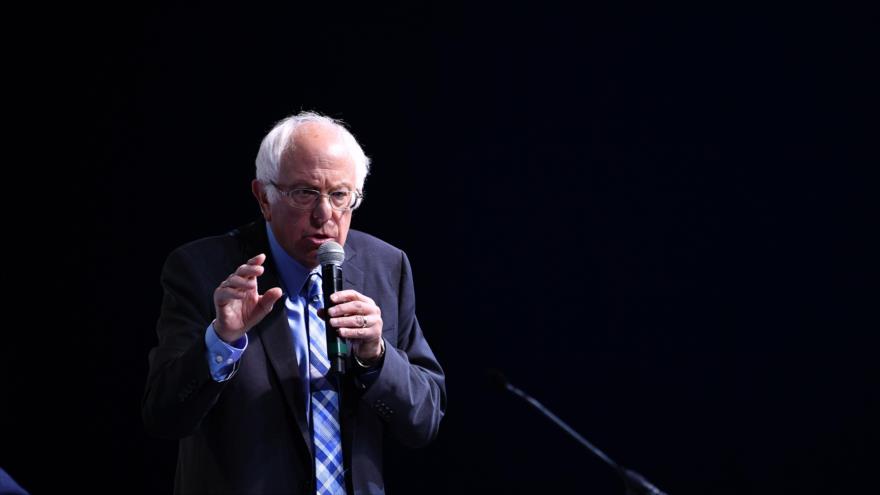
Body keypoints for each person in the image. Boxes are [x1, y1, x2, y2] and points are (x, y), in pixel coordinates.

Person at [142, 112, 446, 494]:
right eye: (304, 193)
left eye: (339, 196)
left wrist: (376, 357)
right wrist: (221, 340)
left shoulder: (386, 267)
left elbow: (424, 420)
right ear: (264, 197)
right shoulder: (204, 271)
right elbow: (164, 418)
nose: (325, 215)